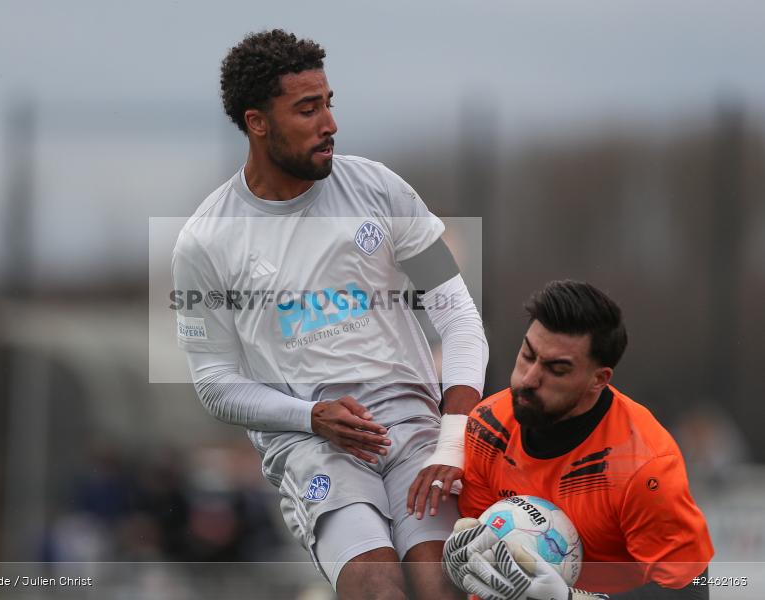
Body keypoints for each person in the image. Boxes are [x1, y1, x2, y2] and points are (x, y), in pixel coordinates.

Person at [171, 29, 488, 599]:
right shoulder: (204, 242)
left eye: (329, 103)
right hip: (312, 446)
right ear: (257, 122)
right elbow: (215, 384)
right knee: (379, 589)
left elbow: (461, 318)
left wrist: (452, 441)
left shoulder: (383, 191)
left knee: (441, 586)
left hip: (417, 430)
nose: (330, 124)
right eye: (307, 109)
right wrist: (311, 416)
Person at [443, 280, 714, 600]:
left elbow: (694, 590)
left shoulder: (644, 465)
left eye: (556, 369)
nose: (529, 379)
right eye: (527, 355)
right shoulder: (487, 426)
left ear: (598, 379)